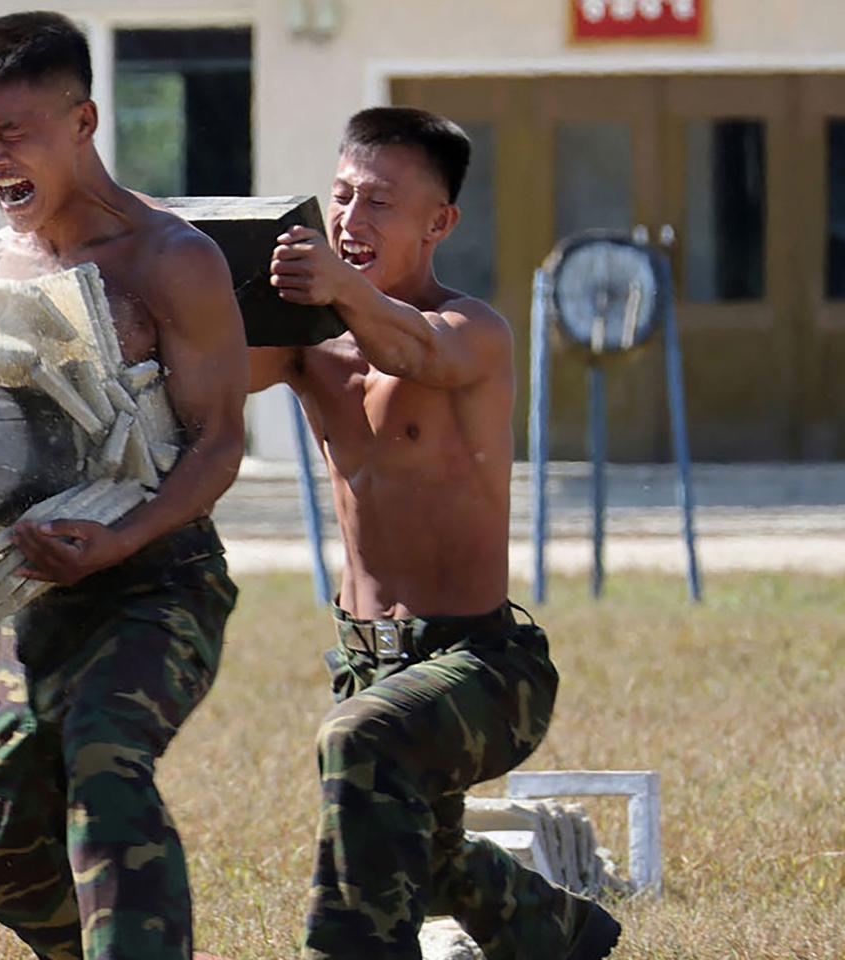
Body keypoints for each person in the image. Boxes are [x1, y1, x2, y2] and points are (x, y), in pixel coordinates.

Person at [251, 106, 621, 960]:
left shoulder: (473, 331)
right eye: (340, 196)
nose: (349, 221)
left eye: (379, 203)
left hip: (484, 668)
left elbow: (416, 351)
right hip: (365, 657)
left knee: (360, 744)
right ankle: (561, 933)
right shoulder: (309, 341)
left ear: (439, 222)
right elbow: (214, 375)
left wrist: (343, 291)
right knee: (417, 845)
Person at [0, 12, 248, 959]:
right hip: (27, 589)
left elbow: (221, 442)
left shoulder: (171, 259)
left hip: (158, 582)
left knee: (106, 772)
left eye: (14, 134)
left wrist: (123, 536)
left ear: (84, 122)